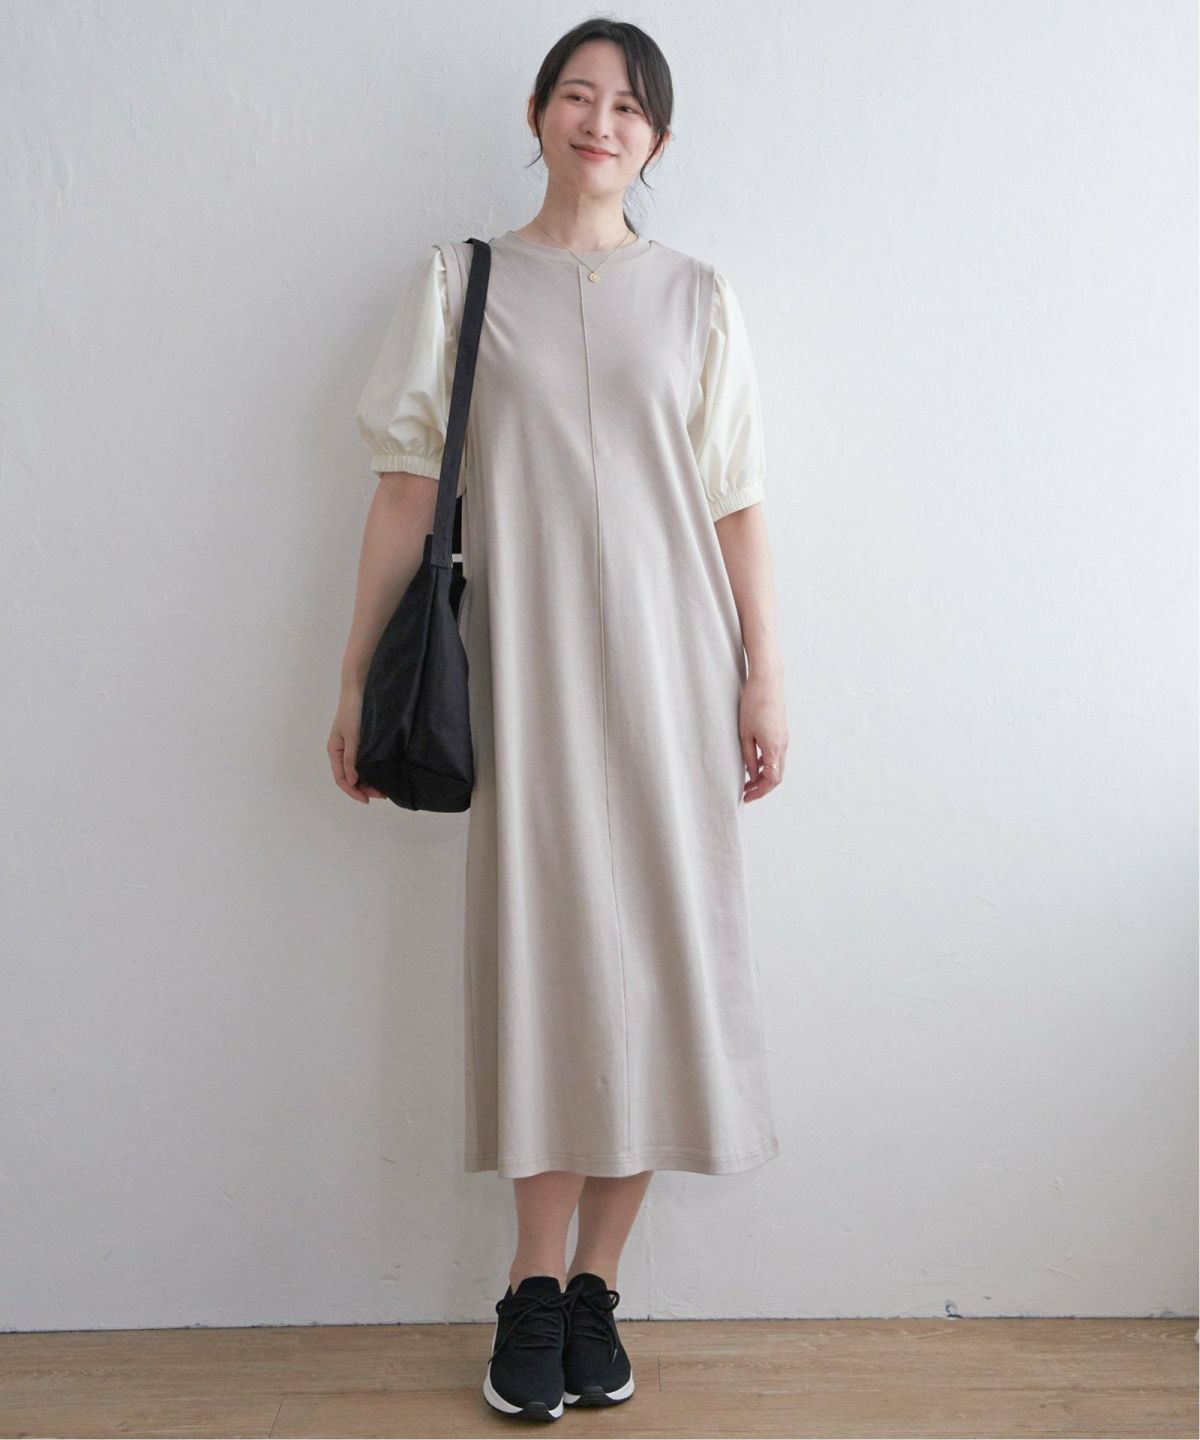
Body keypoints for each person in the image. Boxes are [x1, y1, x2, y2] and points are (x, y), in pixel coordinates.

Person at [330, 16, 789, 1423]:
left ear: (657, 139)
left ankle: (598, 1288)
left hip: (673, 668)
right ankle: (530, 1289)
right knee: (543, 964)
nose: (601, 122)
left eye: (629, 106)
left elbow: (736, 500)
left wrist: (763, 671)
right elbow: (407, 489)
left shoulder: (699, 297)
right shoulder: (461, 283)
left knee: (660, 970)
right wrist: (351, 680)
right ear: (538, 113)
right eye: (578, 96)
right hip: (522, 671)